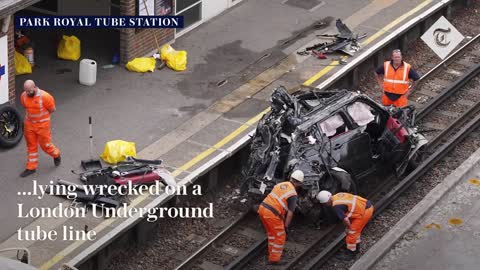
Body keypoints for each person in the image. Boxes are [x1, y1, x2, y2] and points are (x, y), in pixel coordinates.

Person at [257, 170, 304, 265]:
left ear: (291, 177)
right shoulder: (293, 194)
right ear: (299, 183)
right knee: (280, 236)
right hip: (271, 213)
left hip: (262, 208)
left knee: (272, 233)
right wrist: (286, 227)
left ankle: (272, 253)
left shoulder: (280, 184)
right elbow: (290, 214)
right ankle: (274, 259)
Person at [19, 80, 61, 177]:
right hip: (29, 125)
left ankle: (56, 154)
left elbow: (52, 109)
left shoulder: (45, 97)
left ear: (34, 87)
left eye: (29, 91)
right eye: (26, 91)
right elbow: (26, 107)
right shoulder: (23, 96)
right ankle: (31, 167)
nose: (28, 93)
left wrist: (41, 119)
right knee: (31, 145)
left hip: (43, 126)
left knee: (45, 145)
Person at [316, 191, 374, 260]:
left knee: (351, 232)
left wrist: (347, 228)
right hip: (365, 206)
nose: (326, 205)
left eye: (325, 204)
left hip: (364, 212)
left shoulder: (336, 206)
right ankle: (356, 248)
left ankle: (351, 253)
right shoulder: (337, 195)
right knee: (355, 232)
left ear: (326, 202)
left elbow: (346, 220)